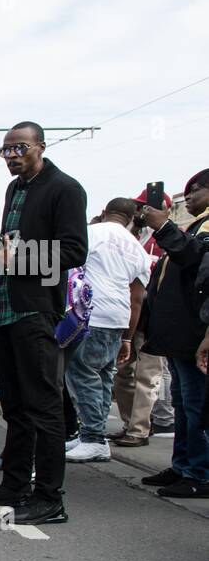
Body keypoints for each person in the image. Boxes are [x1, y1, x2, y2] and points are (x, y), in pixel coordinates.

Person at [0, 121, 86, 525]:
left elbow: (73, 251)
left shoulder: (65, 188)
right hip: (4, 306)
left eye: (20, 147)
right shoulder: (14, 189)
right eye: (6, 150)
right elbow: (11, 244)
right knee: (14, 405)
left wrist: (13, 261)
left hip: (35, 309)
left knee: (44, 406)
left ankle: (50, 497)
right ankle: (15, 484)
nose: (12, 156)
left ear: (41, 146)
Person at [135, 168, 209, 497]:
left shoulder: (205, 227)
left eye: (195, 189)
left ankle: (199, 472)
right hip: (182, 334)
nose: (188, 196)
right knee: (183, 402)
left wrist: (162, 226)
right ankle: (183, 465)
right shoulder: (195, 226)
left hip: (196, 333)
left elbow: (191, 256)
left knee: (195, 404)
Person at [64, 198, 150, 462]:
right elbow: (137, 298)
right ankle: (95, 434)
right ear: (132, 218)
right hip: (118, 316)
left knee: (84, 374)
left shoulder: (91, 233)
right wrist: (127, 336)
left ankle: (93, 437)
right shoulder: (138, 249)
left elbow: (69, 270)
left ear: (103, 213)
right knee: (103, 376)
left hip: (91, 313)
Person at [113, 189, 174, 446]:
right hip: (129, 313)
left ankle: (139, 429)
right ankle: (130, 424)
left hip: (153, 315)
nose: (142, 212)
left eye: (147, 207)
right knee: (123, 372)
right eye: (140, 207)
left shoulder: (169, 239)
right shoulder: (131, 237)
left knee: (148, 375)